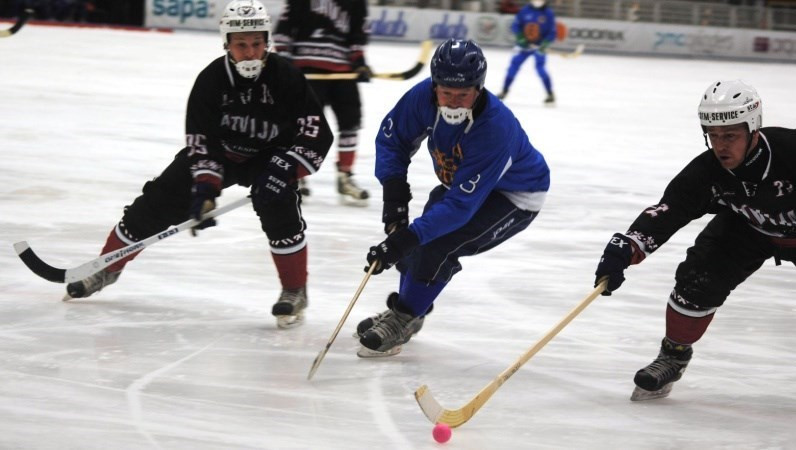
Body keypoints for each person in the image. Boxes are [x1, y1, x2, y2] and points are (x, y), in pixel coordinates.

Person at [64, 0, 333, 329]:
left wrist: (284, 171)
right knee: (155, 203)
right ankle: (107, 268)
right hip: (221, 152)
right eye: (241, 45)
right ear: (227, 44)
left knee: (280, 209)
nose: (250, 52)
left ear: (267, 42)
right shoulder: (211, 80)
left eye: (256, 44)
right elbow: (201, 140)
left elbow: (316, 135)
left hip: (270, 156)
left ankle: (295, 291)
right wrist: (205, 188)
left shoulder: (287, 77)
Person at [594, 80, 796, 401]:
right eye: (713, 136)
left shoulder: (789, 151)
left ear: (754, 130)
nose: (720, 146)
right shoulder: (708, 171)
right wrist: (627, 246)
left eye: (730, 136)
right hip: (748, 228)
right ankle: (673, 356)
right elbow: (671, 209)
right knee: (697, 277)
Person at [355, 38, 551, 357]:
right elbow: (392, 139)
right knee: (413, 237)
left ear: (479, 88)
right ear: (435, 86)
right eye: (446, 93)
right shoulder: (423, 97)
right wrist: (394, 197)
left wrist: (407, 238)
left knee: (436, 243)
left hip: (514, 195)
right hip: (461, 185)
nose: (453, 103)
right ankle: (407, 312)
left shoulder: (495, 127)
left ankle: (403, 318)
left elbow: (461, 207)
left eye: (463, 95)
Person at [273, 0, 371, 206]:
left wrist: (359, 63)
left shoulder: (357, 3)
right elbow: (285, 28)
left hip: (342, 71)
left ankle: (345, 176)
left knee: (350, 122)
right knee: (303, 125)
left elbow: (357, 34)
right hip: (306, 70)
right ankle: (296, 174)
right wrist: (284, 62)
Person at [497, 0, 557, 105]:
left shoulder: (548, 13)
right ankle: (504, 90)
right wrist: (521, 38)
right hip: (523, 46)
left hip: (539, 47)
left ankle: (550, 93)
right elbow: (515, 25)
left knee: (540, 69)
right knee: (513, 67)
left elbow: (552, 32)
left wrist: (545, 43)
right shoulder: (524, 10)